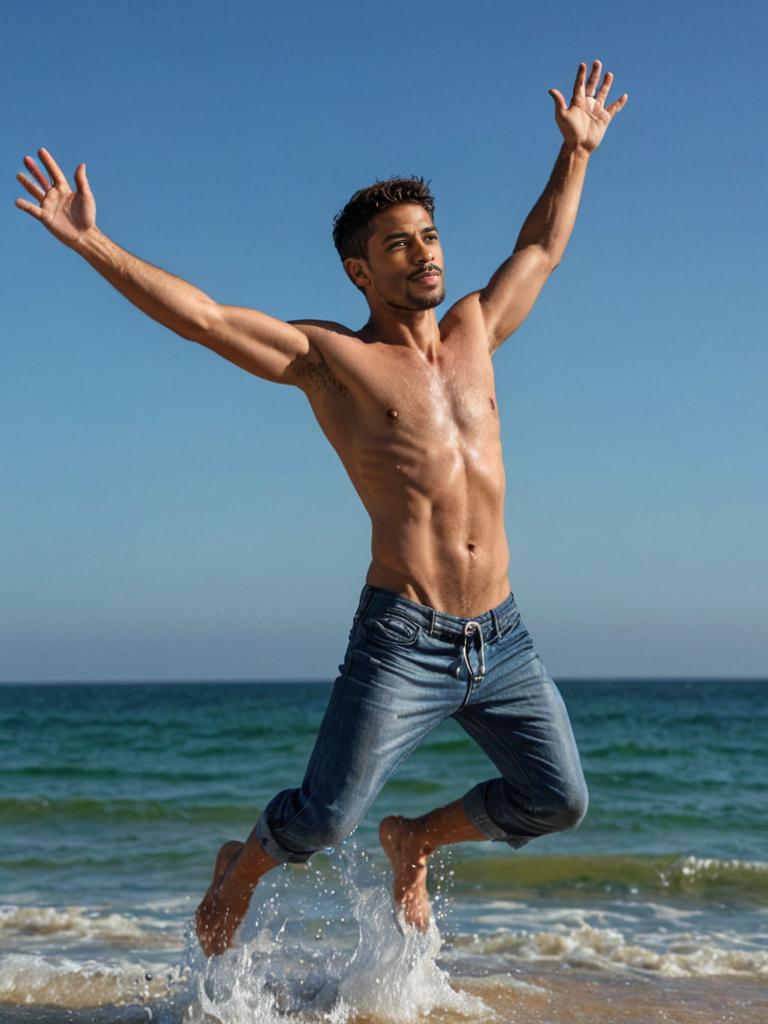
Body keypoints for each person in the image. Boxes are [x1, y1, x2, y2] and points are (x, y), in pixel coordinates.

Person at [16, 60, 628, 957]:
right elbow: (207, 321)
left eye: (428, 235)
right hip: (404, 637)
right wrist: (92, 244)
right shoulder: (330, 359)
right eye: (398, 245)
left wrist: (575, 153)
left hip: (502, 638)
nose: (424, 253)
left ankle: (416, 838)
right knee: (323, 819)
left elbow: (540, 249)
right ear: (359, 269)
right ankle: (243, 866)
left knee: (558, 799)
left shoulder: (476, 330)